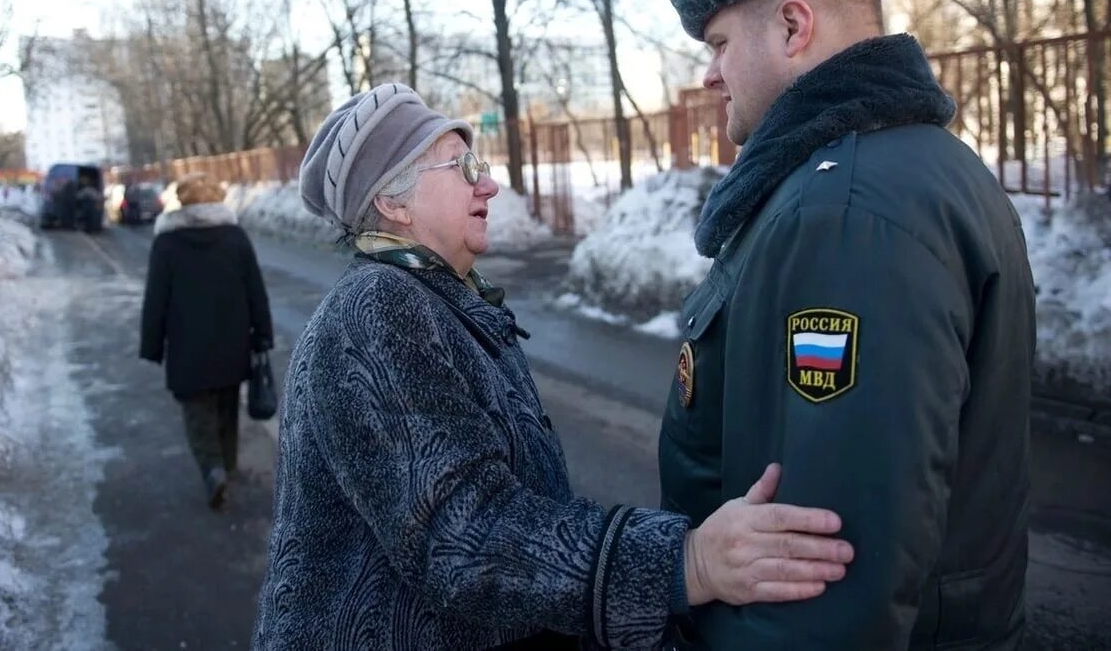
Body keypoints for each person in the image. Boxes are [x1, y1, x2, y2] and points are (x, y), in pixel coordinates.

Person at [253, 83, 855, 650]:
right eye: (463, 169)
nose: (487, 185)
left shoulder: (439, 299)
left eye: (480, 165)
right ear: (391, 202)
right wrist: (687, 562)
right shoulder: (377, 310)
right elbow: (467, 539)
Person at [656, 0, 1035, 649]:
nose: (710, 73)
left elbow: (827, 571)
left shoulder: (848, 212)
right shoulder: (911, 168)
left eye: (721, 43)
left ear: (794, 26)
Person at [139, 174, 274, 509]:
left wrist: (152, 345)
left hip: (187, 348)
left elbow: (156, 298)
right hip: (232, 342)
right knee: (227, 406)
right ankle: (227, 464)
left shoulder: (167, 242)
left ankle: (212, 469)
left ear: (183, 202)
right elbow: (254, 289)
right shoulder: (235, 237)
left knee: (197, 414)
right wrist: (263, 334)